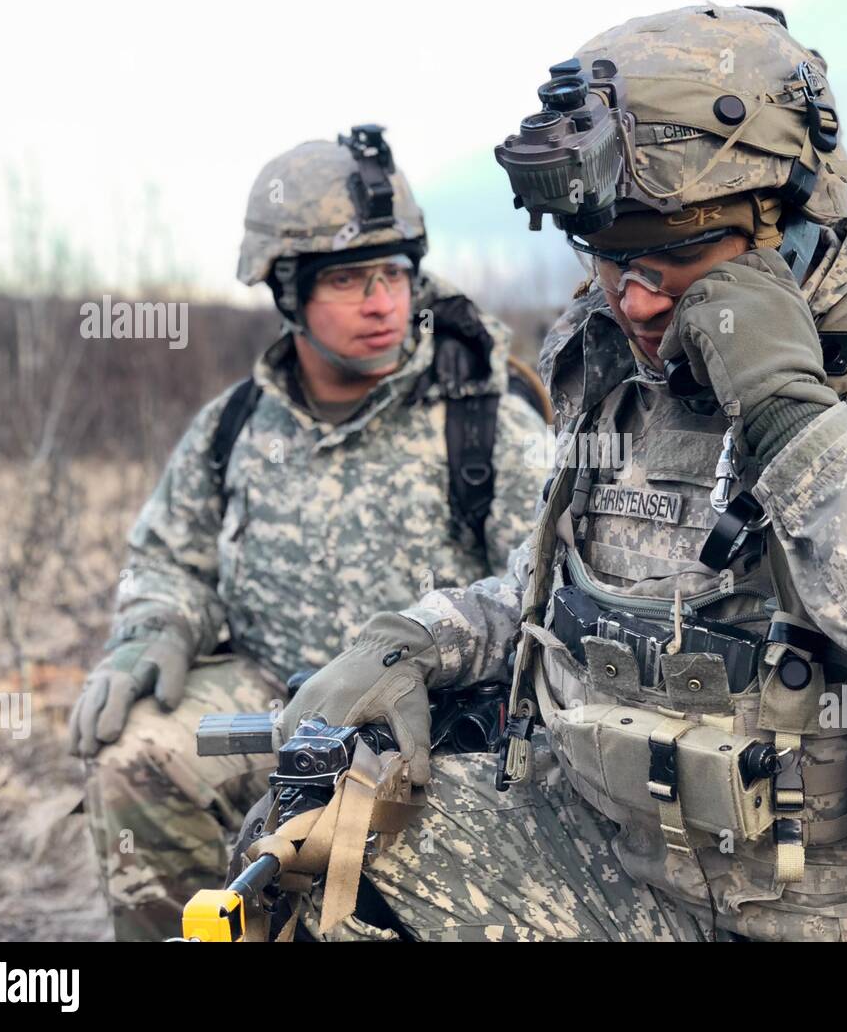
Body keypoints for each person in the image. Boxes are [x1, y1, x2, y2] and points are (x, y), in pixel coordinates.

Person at [276, 7, 847, 942]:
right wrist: (413, 640)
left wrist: (796, 424)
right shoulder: (617, 356)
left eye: (675, 255)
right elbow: (556, 582)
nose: (632, 295)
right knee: (320, 850)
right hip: (633, 886)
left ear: (783, 224)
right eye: (608, 255)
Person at [70, 125, 549, 941]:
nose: (383, 301)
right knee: (139, 760)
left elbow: (538, 587)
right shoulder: (234, 425)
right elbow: (169, 559)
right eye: (350, 278)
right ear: (288, 290)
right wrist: (154, 628)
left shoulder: (484, 419)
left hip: (419, 717)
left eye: (396, 273)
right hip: (272, 695)